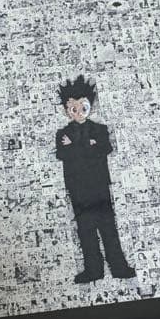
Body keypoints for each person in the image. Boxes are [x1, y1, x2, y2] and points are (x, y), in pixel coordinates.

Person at [56, 75, 136, 284]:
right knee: (85, 229)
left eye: (83, 107)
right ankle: (93, 270)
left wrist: (75, 146)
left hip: (99, 185)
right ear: (66, 110)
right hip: (77, 187)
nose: (79, 113)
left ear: (90, 106)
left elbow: (104, 149)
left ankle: (119, 267)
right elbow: (62, 155)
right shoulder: (62, 133)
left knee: (108, 226)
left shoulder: (100, 130)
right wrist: (88, 146)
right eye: (73, 109)